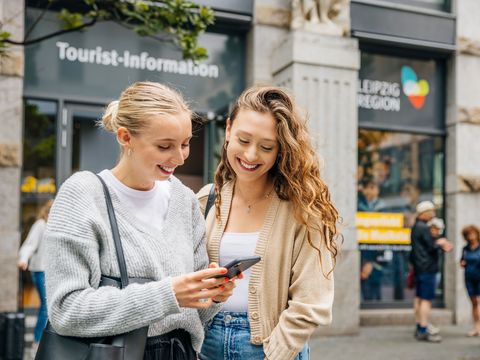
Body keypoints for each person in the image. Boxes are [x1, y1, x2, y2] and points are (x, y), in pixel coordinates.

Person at [44, 82, 236, 359]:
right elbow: (66, 309)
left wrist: (213, 293)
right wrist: (167, 294)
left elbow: (195, 312)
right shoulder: (84, 194)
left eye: (185, 144)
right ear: (125, 137)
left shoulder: (183, 199)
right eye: (164, 146)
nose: (179, 158)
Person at [197, 86, 338, 360]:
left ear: (280, 149)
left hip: (269, 348)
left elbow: (312, 300)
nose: (251, 156)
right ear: (228, 130)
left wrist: (276, 352)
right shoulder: (206, 200)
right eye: (244, 140)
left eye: (266, 147)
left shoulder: (303, 208)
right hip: (206, 346)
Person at [410, 201, 452, 342]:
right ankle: (423, 328)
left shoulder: (416, 226)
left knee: (419, 299)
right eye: (432, 211)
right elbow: (430, 247)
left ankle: (420, 326)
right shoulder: (423, 227)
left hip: (420, 268)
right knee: (426, 300)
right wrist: (440, 243)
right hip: (427, 268)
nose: (433, 214)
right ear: (425, 213)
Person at [17, 200, 53, 348]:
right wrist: (23, 259)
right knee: (46, 307)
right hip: (41, 271)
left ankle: (45, 342)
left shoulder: (59, 226)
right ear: (47, 211)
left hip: (53, 272)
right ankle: (37, 343)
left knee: (50, 307)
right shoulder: (40, 225)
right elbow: (29, 245)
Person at [460, 225, 480, 337]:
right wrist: (462, 263)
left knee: (479, 302)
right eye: (468, 235)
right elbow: (461, 261)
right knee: (474, 303)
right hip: (469, 278)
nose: (471, 237)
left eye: (473, 234)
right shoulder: (465, 249)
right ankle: (476, 326)